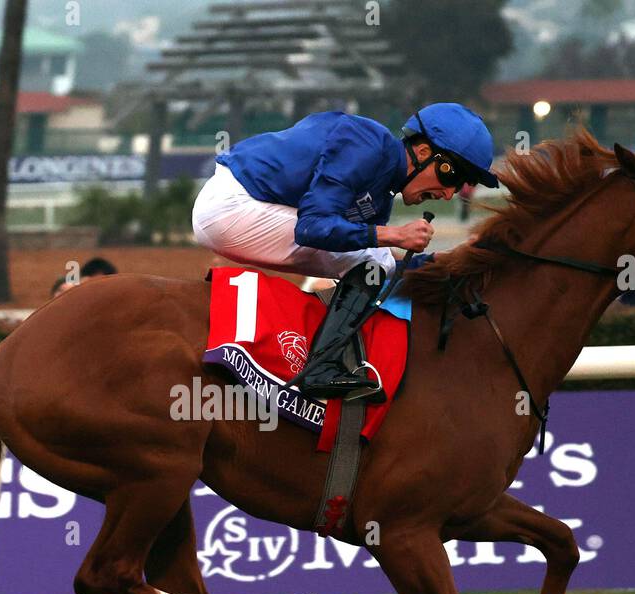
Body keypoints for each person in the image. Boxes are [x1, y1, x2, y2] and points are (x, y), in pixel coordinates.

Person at [192, 103, 498, 398]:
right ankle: (321, 368)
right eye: (452, 177)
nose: (447, 195)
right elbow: (312, 228)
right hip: (231, 205)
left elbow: (370, 256)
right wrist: (393, 235)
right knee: (371, 260)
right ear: (422, 152)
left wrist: (440, 263)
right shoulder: (366, 142)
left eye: (459, 187)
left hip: (241, 211)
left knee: (375, 264)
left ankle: (328, 364)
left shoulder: (380, 197)